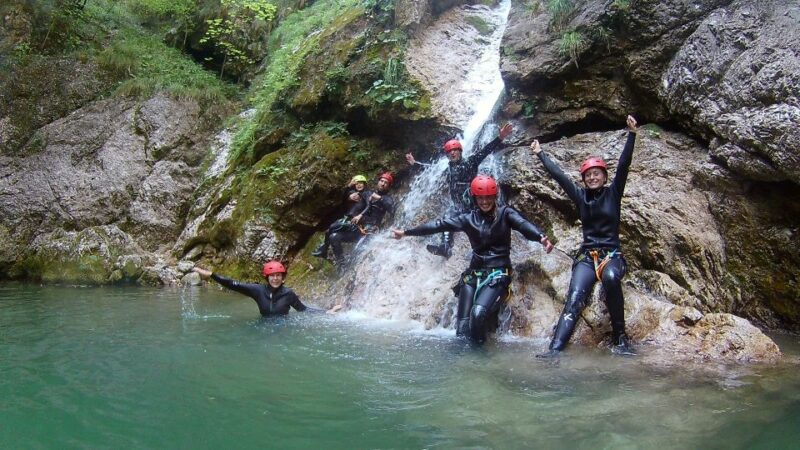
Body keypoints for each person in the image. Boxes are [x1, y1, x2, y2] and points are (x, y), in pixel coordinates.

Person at [391, 175, 554, 344]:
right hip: (473, 274)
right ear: (474, 198)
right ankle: (464, 364)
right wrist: (406, 232)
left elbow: (522, 224)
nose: (485, 201)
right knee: (461, 328)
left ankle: (479, 360)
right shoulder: (468, 218)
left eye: (489, 197)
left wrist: (541, 237)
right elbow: (439, 225)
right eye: (481, 198)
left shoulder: (506, 213)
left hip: (498, 273)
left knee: (477, 314)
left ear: (494, 197)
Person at [531, 115, 639, 357]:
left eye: (597, 173)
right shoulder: (580, 196)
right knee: (575, 297)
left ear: (604, 176)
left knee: (611, 277)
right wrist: (540, 154)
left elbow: (624, 165)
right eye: (588, 175)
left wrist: (632, 135)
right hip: (587, 257)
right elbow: (559, 177)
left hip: (612, 255)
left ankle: (620, 338)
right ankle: (555, 349)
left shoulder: (614, 193)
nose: (592, 177)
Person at [405, 123, 513, 258]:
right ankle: (445, 247)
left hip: (475, 206)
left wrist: (500, 137)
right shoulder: (448, 169)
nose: (452, 152)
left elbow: (485, 151)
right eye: (449, 151)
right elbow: (430, 169)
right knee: (447, 217)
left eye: (455, 150)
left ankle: (486, 248)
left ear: (460, 151)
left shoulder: (470, 162)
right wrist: (415, 163)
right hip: (459, 207)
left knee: (481, 223)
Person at [192, 261, 342, 316]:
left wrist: (327, 312)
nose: (275, 278)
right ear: (267, 277)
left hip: (282, 329)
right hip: (262, 326)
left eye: (278, 276)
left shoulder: (288, 294)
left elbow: (304, 310)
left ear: (283, 278)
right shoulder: (257, 290)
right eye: (272, 275)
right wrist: (212, 275)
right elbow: (232, 284)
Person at [327, 172, 396, 264]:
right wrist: (349, 194)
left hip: (370, 230)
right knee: (333, 237)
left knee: (359, 253)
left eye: (386, 183)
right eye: (381, 181)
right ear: (378, 182)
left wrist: (379, 198)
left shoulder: (387, 198)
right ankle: (341, 262)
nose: (383, 184)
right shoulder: (368, 193)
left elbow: (392, 209)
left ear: (388, 186)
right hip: (357, 228)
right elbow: (349, 199)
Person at [312, 174, 368, 259]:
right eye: (357, 183)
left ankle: (324, 249)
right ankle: (339, 260)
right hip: (347, 221)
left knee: (332, 226)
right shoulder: (352, 194)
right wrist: (349, 187)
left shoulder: (366, 194)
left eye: (361, 183)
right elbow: (343, 197)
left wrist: (360, 215)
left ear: (365, 184)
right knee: (330, 234)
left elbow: (369, 205)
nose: (359, 185)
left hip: (355, 225)